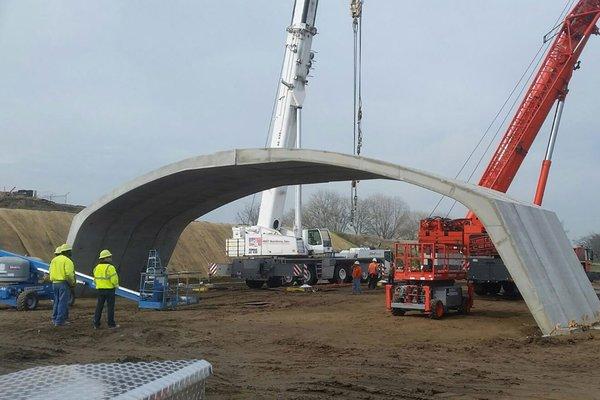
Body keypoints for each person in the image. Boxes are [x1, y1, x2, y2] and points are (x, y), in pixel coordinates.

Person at [49, 244, 76, 326]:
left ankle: (54, 319)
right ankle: (60, 321)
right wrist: (72, 283)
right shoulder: (68, 261)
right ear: (67, 252)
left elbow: (50, 271)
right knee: (63, 302)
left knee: (56, 301)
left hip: (54, 283)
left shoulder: (54, 260)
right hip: (63, 283)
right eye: (70, 251)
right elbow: (69, 274)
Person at [93, 249, 120, 329]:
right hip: (109, 290)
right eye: (109, 257)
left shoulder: (96, 268)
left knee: (99, 307)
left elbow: (95, 279)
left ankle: (96, 323)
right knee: (110, 307)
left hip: (100, 290)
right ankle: (111, 324)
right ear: (106, 258)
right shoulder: (110, 267)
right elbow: (114, 279)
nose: (111, 258)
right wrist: (116, 285)